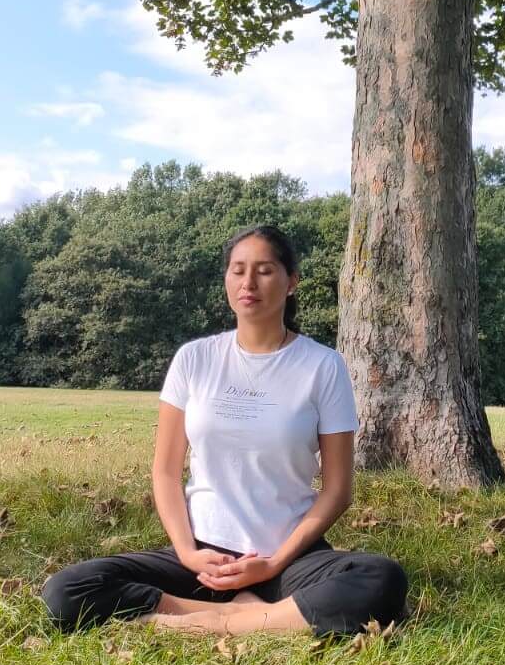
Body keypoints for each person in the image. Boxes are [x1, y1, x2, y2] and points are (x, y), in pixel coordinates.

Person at [41, 224, 409, 637]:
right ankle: (252, 619)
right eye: (237, 270)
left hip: (285, 561)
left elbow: (338, 491)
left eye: (265, 270)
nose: (248, 282)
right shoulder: (194, 359)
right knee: (66, 590)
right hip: (202, 560)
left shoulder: (322, 366)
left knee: (381, 579)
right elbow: (165, 472)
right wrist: (187, 553)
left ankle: (207, 623)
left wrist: (272, 563)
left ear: (291, 282)